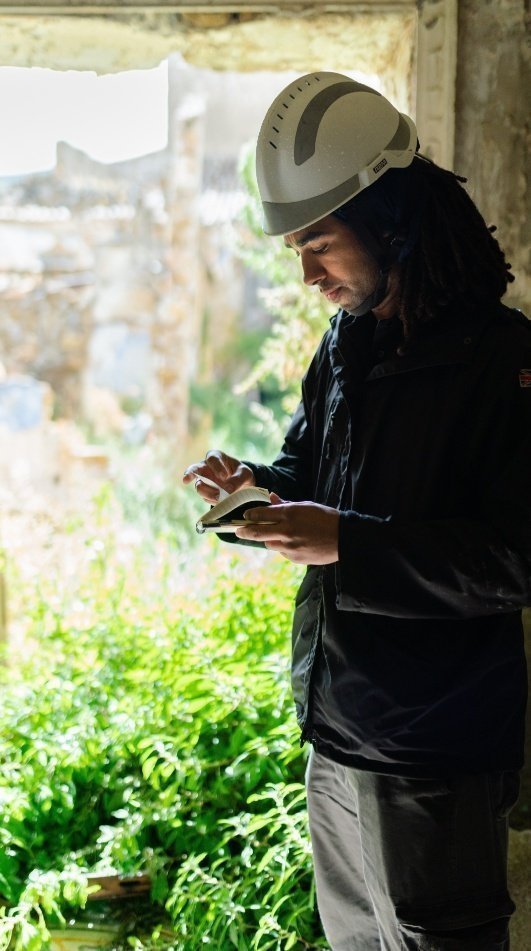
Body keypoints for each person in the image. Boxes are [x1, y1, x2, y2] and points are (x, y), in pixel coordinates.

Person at [183, 73, 531, 950]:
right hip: (334, 736)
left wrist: (342, 540)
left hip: (432, 755)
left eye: (319, 243)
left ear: (391, 224)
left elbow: (515, 559)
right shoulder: (348, 342)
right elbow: (313, 473)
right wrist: (255, 489)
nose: (305, 275)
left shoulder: (503, 363)